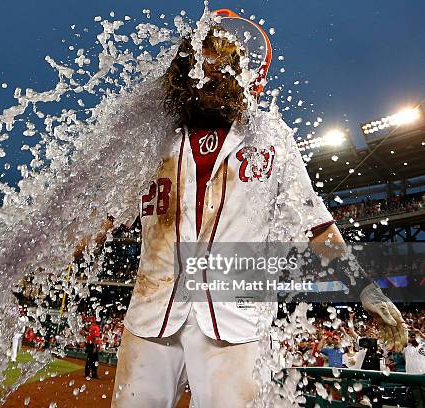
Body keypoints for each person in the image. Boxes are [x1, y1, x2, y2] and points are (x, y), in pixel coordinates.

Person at [109, 9, 407, 407]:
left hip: (234, 318)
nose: (208, 79)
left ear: (239, 78)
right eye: (199, 70)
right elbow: (105, 215)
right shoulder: (150, 142)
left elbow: (314, 224)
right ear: (181, 79)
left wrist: (364, 288)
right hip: (153, 310)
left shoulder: (270, 136)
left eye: (218, 73)